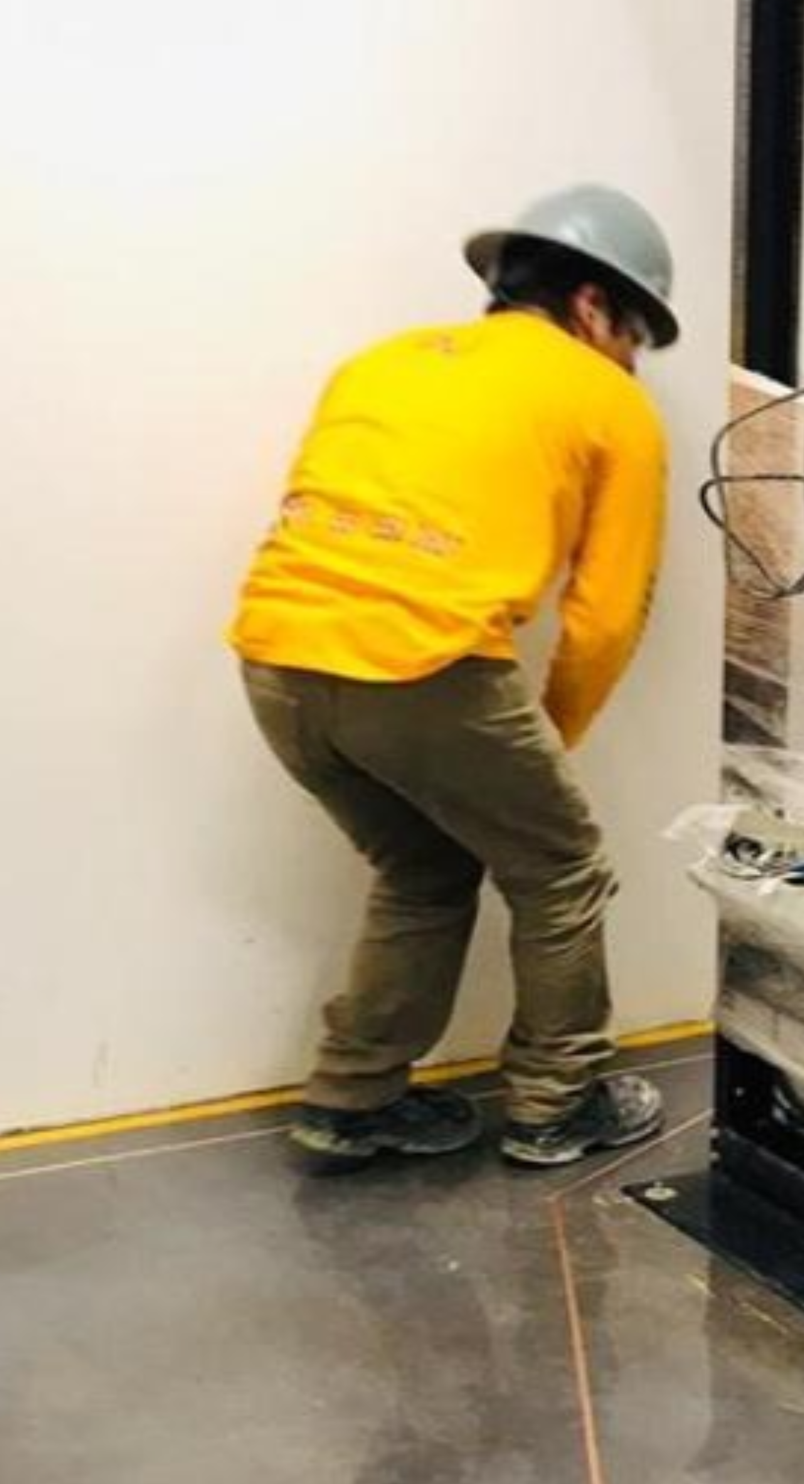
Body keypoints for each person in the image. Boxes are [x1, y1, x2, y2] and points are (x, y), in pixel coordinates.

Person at [230, 184, 677, 1170]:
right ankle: (557, 1104)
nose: (631, 360)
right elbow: (604, 617)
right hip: (423, 666)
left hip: (274, 657)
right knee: (559, 870)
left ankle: (352, 1097)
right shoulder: (610, 402)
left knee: (423, 869)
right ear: (596, 307)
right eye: (635, 333)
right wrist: (547, 737)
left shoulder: (381, 361)